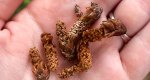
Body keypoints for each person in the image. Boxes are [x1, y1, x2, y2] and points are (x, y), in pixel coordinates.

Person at [0, 0, 149, 80]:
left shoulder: (87, 35)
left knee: (80, 48)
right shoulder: (83, 34)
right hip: (71, 48)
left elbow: (84, 35)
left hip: (74, 49)